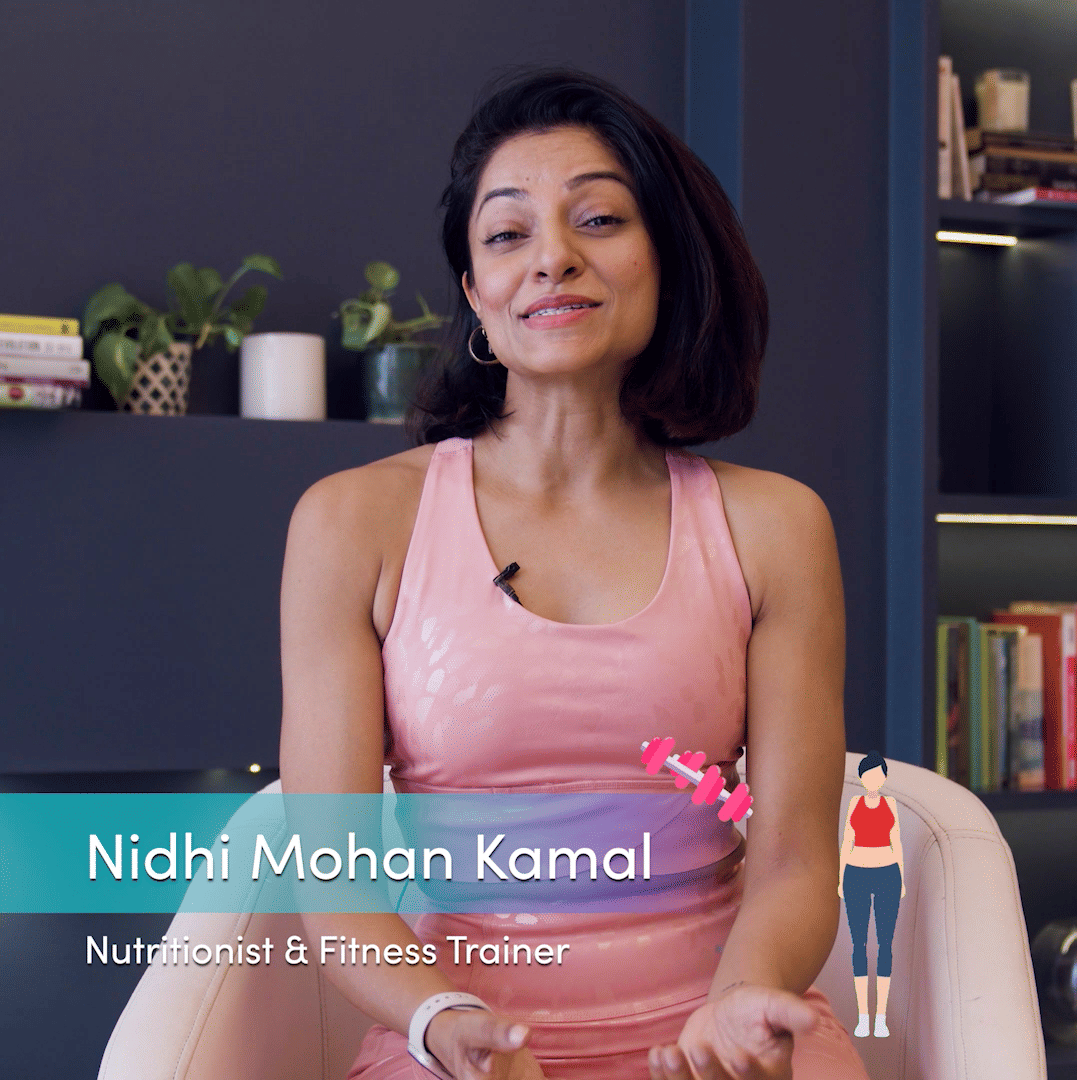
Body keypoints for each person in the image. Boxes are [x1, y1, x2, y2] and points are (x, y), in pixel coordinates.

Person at [279, 66, 871, 1080]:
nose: (552, 258)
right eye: (507, 235)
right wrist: (438, 1023)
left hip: (718, 1043)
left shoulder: (777, 526)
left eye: (598, 219)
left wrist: (736, 1008)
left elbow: (796, 857)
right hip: (459, 1042)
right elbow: (332, 879)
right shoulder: (354, 522)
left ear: (667, 260)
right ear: (474, 291)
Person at [838, 751, 905, 1039]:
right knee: (859, 945)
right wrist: (841, 879)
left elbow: (896, 842)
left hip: (887, 873)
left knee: (886, 946)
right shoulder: (854, 803)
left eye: (878, 775)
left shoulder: (890, 804)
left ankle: (881, 1018)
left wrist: (900, 878)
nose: (873, 780)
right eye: (868, 774)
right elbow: (847, 841)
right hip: (856, 873)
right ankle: (863, 1016)